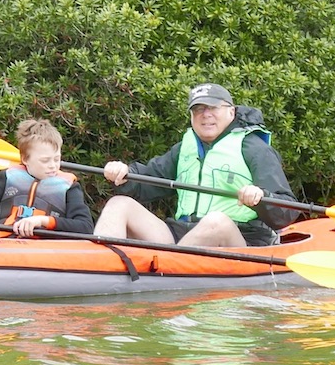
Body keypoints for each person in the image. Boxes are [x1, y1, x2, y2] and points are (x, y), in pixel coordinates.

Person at [94, 83, 297, 249]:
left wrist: (261, 197)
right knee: (119, 204)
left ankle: (170, 271)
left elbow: (285, 211)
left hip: (239, 238)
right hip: (183, 234)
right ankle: (99, 268)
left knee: (216, 221)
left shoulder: (255, 149)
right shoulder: (184, 149)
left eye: (213, 108)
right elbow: (146, 181)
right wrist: (124, 174)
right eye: (198, 109)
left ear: (231, 112)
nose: (205, 114)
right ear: (191, 116)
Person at [0, 117, 94, 238]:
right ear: (25, 159)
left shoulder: (69, 187)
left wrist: (43, 221)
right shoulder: (8, 178)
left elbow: (85, 227)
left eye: (56, 159)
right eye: (45, 160)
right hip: (4, 245)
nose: (53, 166)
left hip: (46, 250)